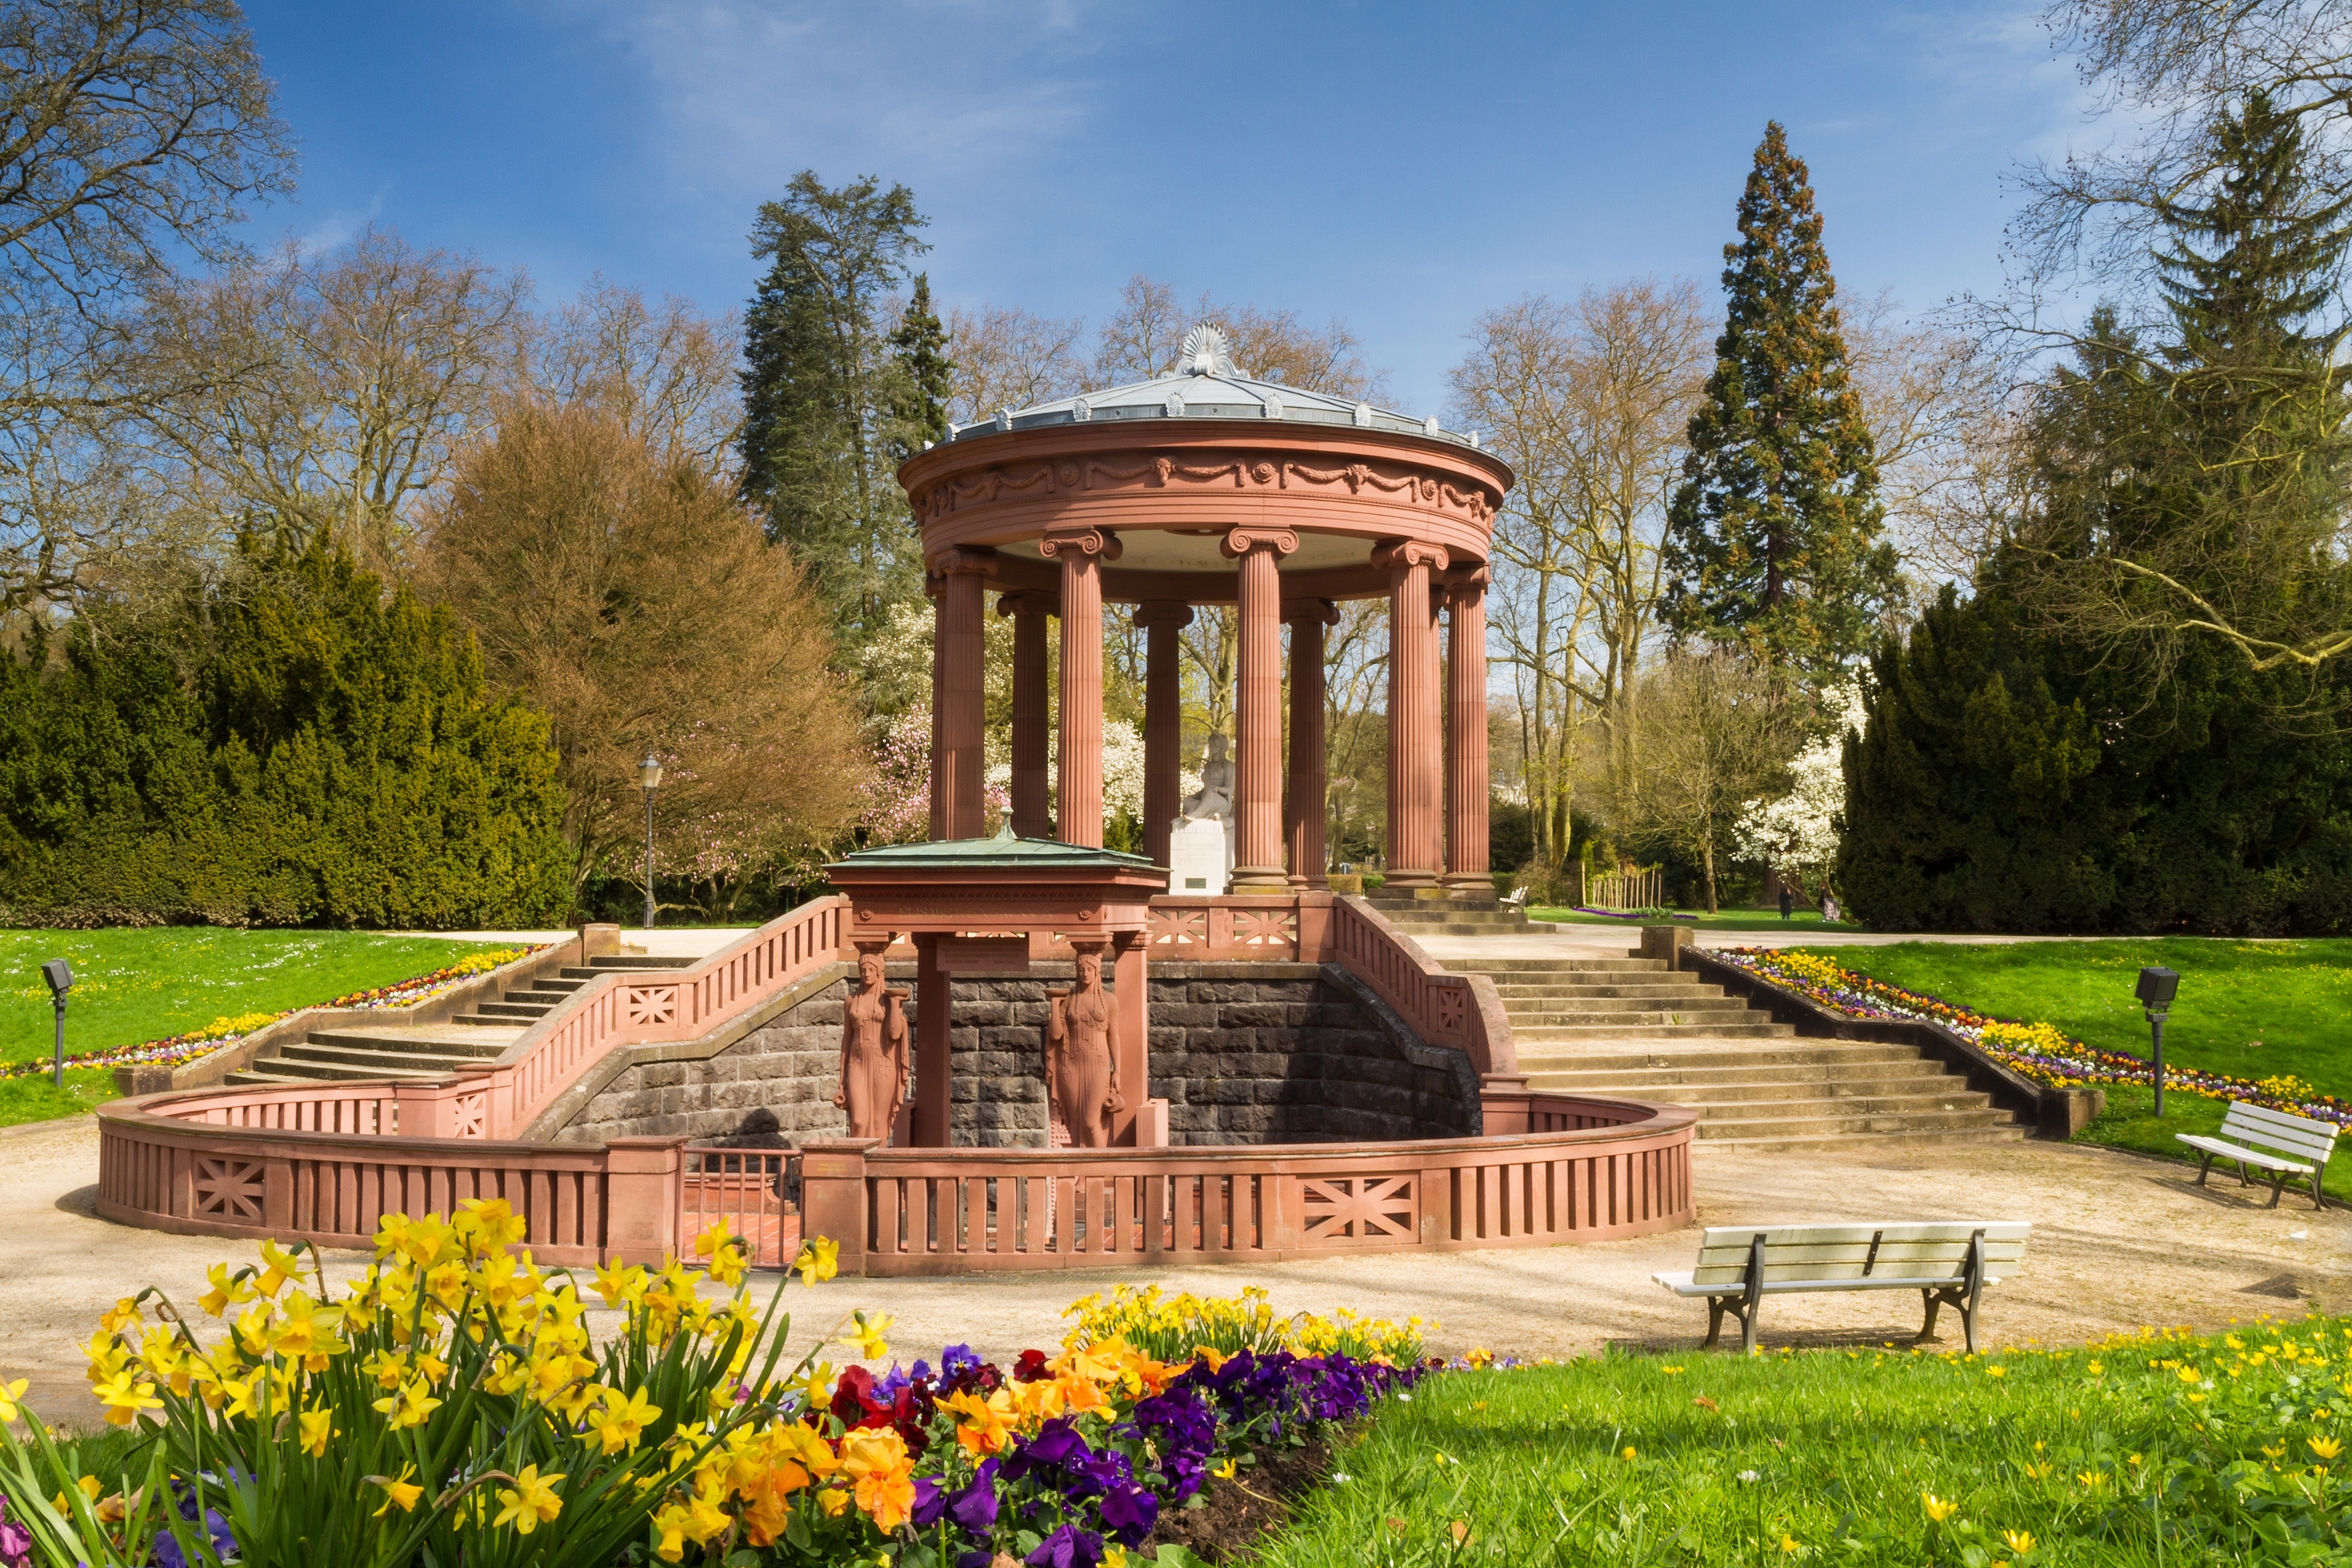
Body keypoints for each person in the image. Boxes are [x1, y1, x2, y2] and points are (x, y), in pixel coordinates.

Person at [1046, 948, 1124, 1148]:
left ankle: (1097, 1172)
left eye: (1089, 969)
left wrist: (1118, 1071)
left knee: (1090, 1122)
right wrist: (1055, 1004)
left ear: (1098, 971)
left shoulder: (1109, 1000)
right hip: (1070, 1066)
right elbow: (1055, 1035)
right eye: (1081, 969)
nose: (1085, 973)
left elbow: (1113, 1035)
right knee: (1074, 1124)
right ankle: (1080, 1176)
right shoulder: (1070, 1000)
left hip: (1098, 1067)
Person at [834, 949, 909, 1141]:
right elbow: (847, 1038)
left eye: (870, 969)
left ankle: (877, 1167)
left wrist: (894, 1004)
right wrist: (841, 1080)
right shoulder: (851, 1000)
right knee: (858, 1120)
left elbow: (895, 1034)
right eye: (863, 970)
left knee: (878, 1121)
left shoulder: (887, 999)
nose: (866, 973)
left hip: (884, 1063)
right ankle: (856, 1166)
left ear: (879, 972)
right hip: (857, 1062)